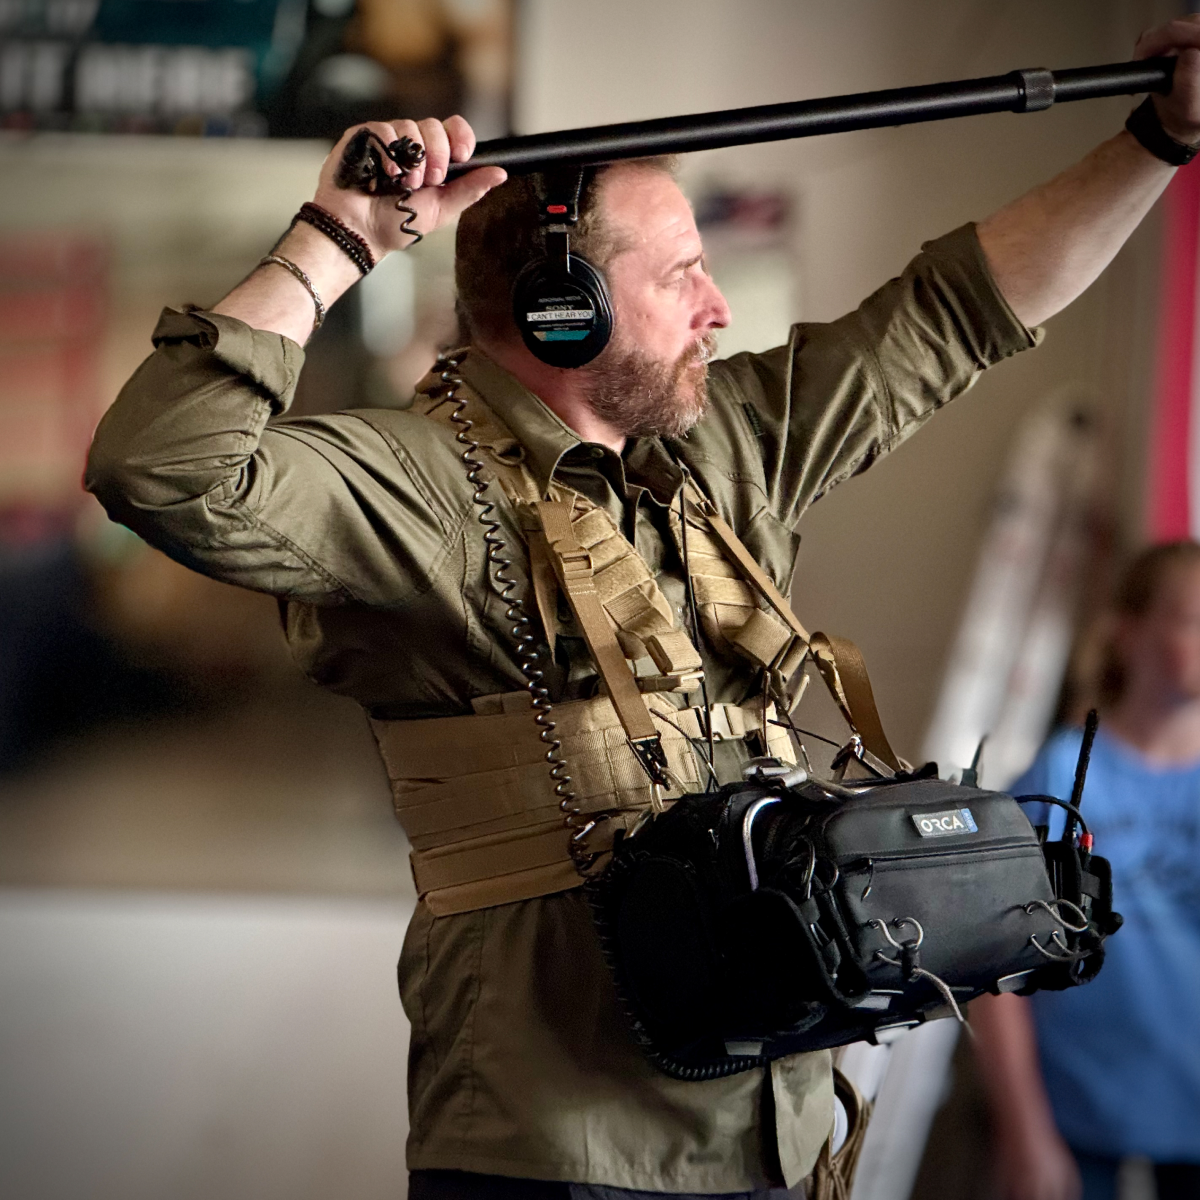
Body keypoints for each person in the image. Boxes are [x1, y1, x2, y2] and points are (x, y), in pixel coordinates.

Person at [84, 17, 1200, 1200]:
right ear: (565, 305)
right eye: (681, 275)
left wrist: (1161, 140)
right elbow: (164, 468)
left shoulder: (727, 451)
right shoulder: (424, 485)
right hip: (565, 1146)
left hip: (777, 1122)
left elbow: (957, 312)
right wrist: (339, 237)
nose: (718, 306)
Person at [973, 542, 1200, 1200]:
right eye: (1190, 619)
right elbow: (995, 960)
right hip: (1076, 1115)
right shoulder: (1061, 774)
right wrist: (1024, 1132)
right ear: (1128, 634)